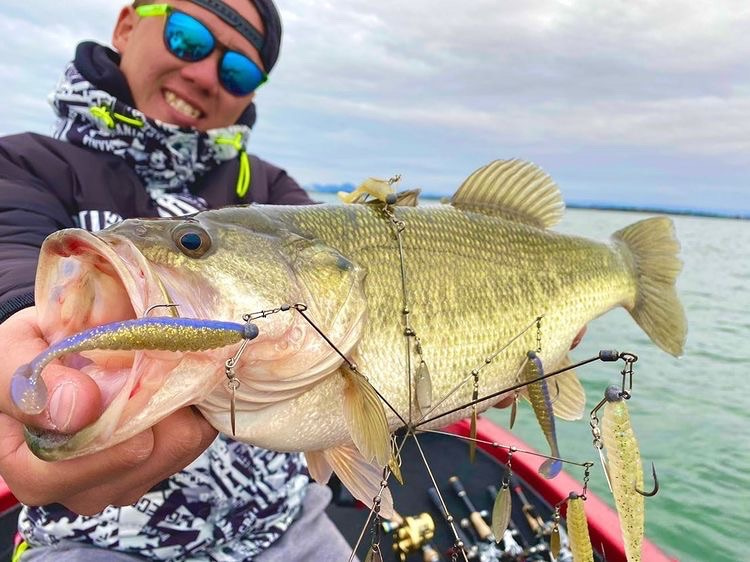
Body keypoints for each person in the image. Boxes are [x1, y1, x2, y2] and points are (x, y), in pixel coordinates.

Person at [0, 1, 354, 560]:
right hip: (92, 539)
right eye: (188, 37)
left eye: (238, 71)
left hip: (287, 521)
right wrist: (22, 318)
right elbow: (12, 255)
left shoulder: (272, 189)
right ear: (126, 26)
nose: (205, 74)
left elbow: (349, 286)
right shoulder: (23, 164)